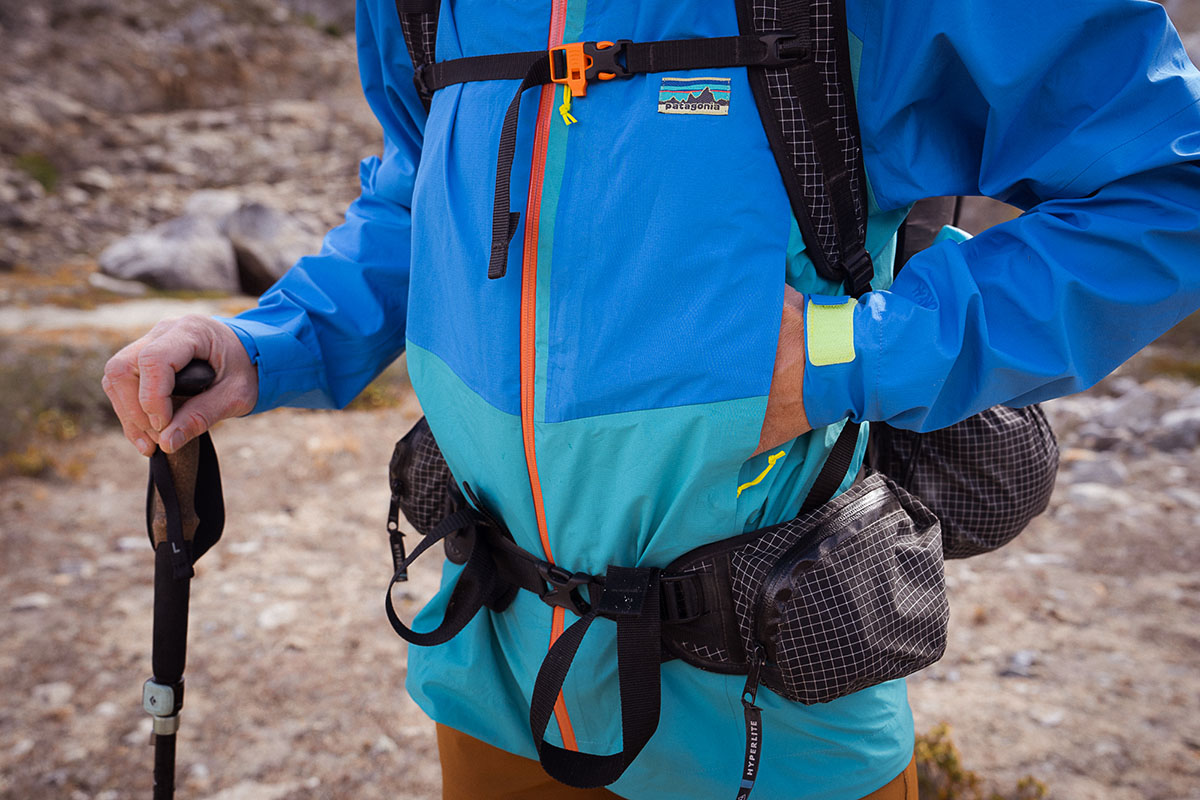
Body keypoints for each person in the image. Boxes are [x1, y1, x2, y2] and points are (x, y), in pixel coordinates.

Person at [104, 1, 1200, 798]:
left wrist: (843, 354)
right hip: (487, 654)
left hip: (767, 691)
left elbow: (1162, 189)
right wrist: (270, 341)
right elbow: (415, 191)